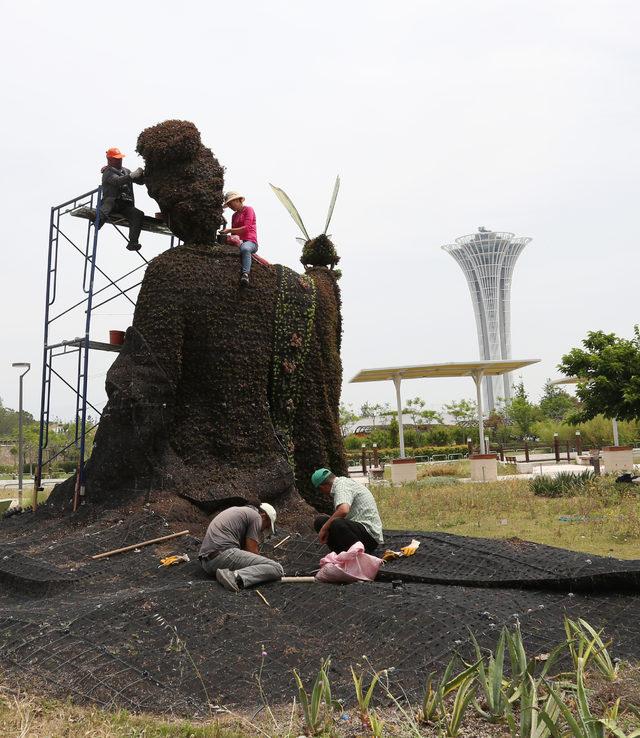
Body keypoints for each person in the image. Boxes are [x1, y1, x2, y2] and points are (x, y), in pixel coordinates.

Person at [198, 502, 283, 591]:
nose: (264, 529)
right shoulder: (256, 516)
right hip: (223, 555)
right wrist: (264, 565)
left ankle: (231, 574)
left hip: (206, 563)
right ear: (264, 516)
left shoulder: (240, 512)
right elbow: (252, 551)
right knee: (276, 568)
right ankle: (234, 576)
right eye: (267, 526)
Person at [311, 468, 384, 554]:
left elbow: (343, 510)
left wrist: (324, 528)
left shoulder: (341, 486)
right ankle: (341, 555)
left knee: (336, 523)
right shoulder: (343, 483)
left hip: (369, 537)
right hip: (357, 531)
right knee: (320, 521)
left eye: (321, 490)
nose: (323, 493)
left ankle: (358, 555)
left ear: (322, 487)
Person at [98, 147, 146, 251]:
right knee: (105, 209)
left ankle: (133, 242)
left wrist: (143, 174)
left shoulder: (126, 171)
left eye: (120, 158)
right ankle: (98, 221)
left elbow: (140, 181)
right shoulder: (108, 172)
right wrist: (132, 175)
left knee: (138, 214)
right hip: (113, 202)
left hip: (125, 205)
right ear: (110, 160)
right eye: (116, 159)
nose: (119, 160)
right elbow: (117, 181)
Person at [220, 191, 258, 287]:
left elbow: (246, 228)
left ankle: (245, 274)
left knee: (245, 248)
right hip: (238, 242)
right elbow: (234, 234)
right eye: (228, 204)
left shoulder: (249, 210)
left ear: (237, 200)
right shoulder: (234, 216)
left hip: (250, 242)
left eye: (230, 203)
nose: (230, 206)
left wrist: (229, 230)